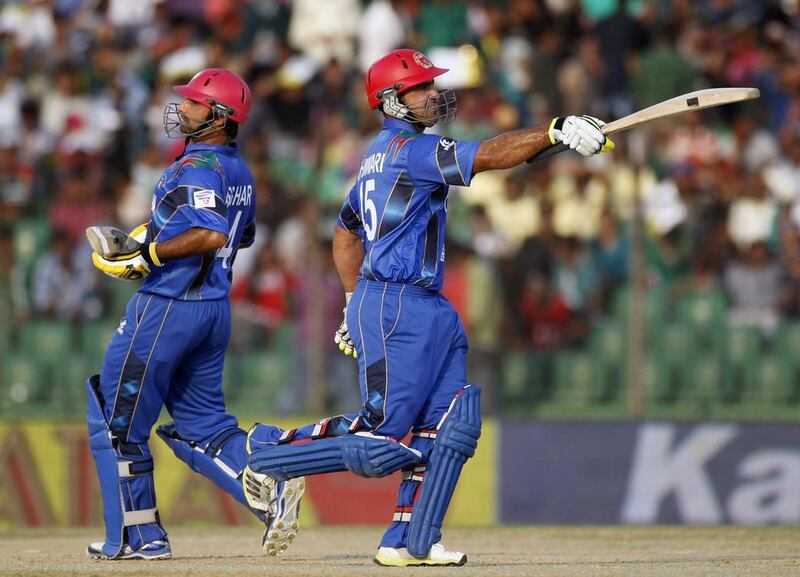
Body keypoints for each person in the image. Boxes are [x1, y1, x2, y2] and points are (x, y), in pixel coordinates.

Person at [242, 48, 613, 567]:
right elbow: (487, 156)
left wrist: (351, 300)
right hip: (396, 304)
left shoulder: (378, 154)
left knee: (453, 424)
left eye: (432, 84)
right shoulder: (410, 150)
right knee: (381, 441)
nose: (434, 93)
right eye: (420, 87)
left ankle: (411, 541)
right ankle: (270, 455)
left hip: (423, 304)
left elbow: (346, 230)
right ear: (392, 101)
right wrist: (552, 132)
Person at [84, 68, 304, 561]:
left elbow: (211, 234)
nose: (181, 108)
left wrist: (148, 258)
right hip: (212, 311)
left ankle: (137, 538)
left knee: (115, 422)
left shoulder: (198, 165)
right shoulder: (239, 168)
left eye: (194, 104)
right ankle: (270, 487)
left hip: (167, 308)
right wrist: (143, 238)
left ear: (221, 117)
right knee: (204, 428)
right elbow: (239, 234)